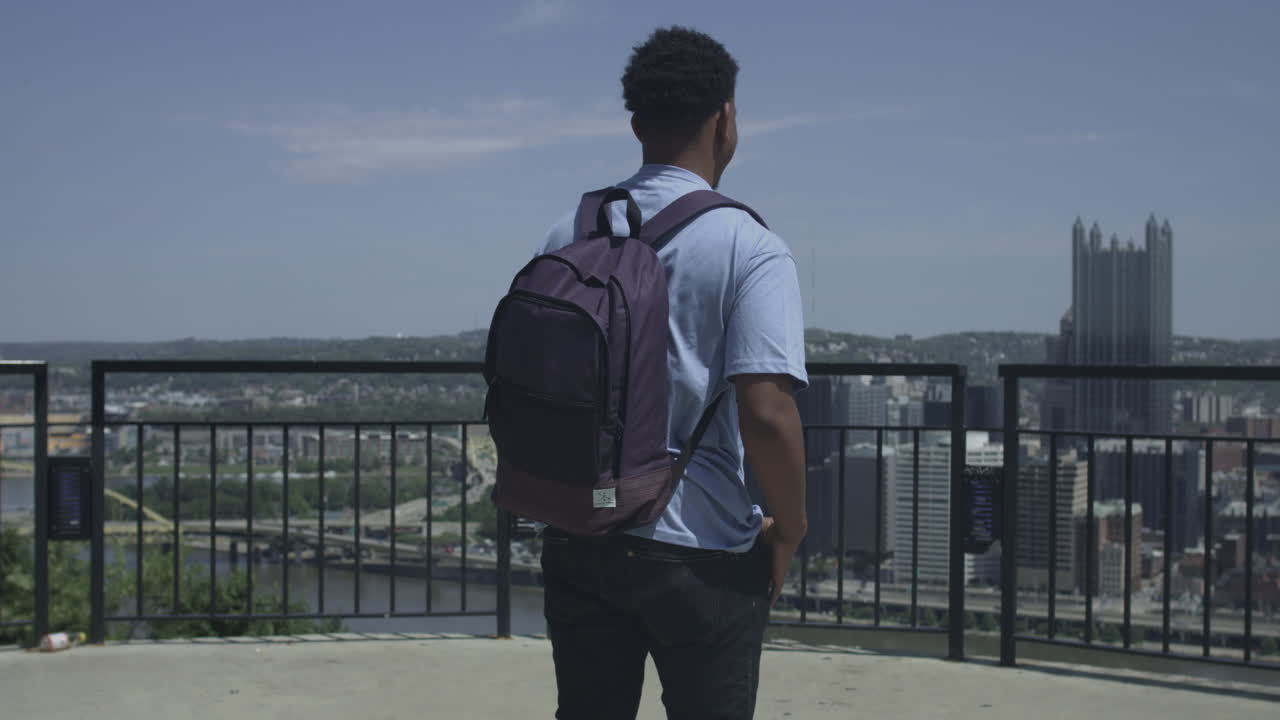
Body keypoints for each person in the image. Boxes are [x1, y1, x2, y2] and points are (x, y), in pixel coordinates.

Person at [535, 26, 808, 720]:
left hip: (579, 533)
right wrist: (791, 529)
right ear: (726, 119)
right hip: (698, 550)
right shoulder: (749, 246)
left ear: (636, 123)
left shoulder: (570, 231)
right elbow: (767, 412)